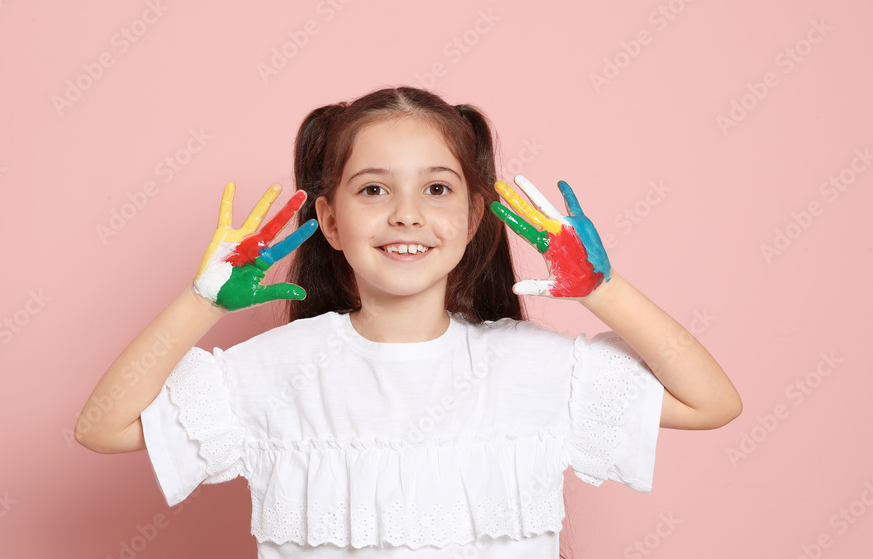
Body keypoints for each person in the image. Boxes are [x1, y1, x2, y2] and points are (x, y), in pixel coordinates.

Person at [75, 86, 742, 558]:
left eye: (437, 188)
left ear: (475, 217)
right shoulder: (278, 368)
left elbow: (711, 400)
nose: (406, 214)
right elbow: (101, 426)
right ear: (331, 220)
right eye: (373, 189)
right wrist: (203, 300)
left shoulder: (534, 368)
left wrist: (605, 289)